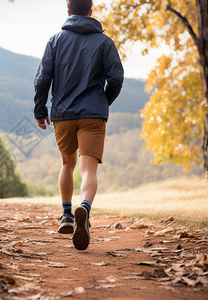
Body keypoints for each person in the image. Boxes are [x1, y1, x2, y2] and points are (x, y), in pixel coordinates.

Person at [33, 0, 124, 250]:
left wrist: (40, 109)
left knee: (67, 163)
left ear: (68, 11)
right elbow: (116, 78)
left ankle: (66, 215)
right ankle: (84, 207)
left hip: (63, 114)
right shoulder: (104, 42)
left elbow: (42, 79)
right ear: (91, 11)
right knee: (88, 170)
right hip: (93, 113)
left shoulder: (55, 40)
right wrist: (102, 102)